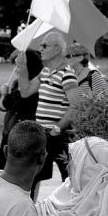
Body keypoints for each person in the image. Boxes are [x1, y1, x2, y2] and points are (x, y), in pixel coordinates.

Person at [16, 32, 78, 190]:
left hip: (58, 135)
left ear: (57, 49)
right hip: (43, 134)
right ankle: (27, 210)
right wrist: (22, 67)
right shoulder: (45, 72)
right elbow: (25, 91)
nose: (40, 49)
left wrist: (58, 128)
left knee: (69, 179)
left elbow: (76, 106)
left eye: (44, 46)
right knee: (32, 176)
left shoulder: (67, 75)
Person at [0, 50, 42, 172]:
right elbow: (4, 107)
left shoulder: (36, 85)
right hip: (10, 132)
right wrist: (4, 94)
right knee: (1, 169)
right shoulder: (16, 83)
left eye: (20, 65)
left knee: (22, 172)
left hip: (25, 135)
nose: (16, 68)